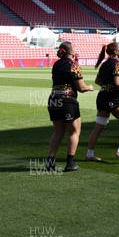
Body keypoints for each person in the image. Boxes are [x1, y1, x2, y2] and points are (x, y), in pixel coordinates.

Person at [46, 42, 94, 172]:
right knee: (74, 132)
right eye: (73, 49)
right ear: (70, 51)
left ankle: (50, 163)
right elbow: (81, 88)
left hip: (53, 99)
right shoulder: (73, 65)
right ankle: (70, 163)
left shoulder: (56, 64)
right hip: (67, 101)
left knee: (58, 132)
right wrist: (89, 87)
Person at [86, 42, 119, 162]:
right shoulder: (117, 64)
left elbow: (97, 81)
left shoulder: (105, 64)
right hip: (112, 98)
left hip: (101, 97)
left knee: (98, 127)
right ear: (116, 52)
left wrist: (107, 86)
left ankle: (89, 154)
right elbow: (118, 82)